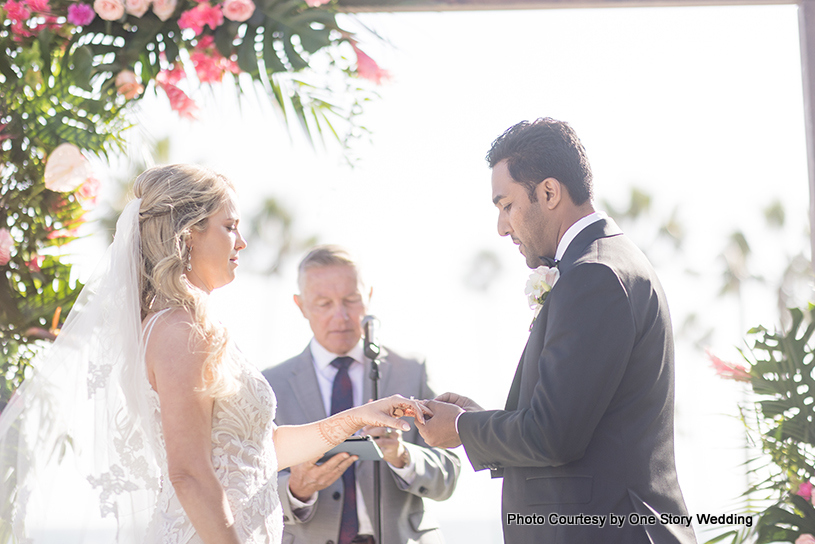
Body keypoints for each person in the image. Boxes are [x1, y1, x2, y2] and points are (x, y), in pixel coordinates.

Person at [0, 165, 428, 544]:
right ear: (189, 234)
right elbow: (188, 473)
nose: (240, 242)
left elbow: (261, 451)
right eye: (229, 226)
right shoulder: (180, 331)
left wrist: (357, 417)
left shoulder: (188, 324)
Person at [416, 118, 697, 544]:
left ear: (549, 192)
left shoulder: (595, 275)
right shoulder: (606, 263)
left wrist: (463, 429)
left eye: (506, 205)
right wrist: (478, 420)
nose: (501, 227)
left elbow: (554, 435)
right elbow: (567, 419)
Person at [263, 245, 460, 544]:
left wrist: (402, 455)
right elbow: (248, 484)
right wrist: (296, 489)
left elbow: (449, 474)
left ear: (368, 297)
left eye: (351, 300)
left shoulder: (410, 370)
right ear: (301, 306)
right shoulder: (269, 384)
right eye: (323, 303)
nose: (340, 316)